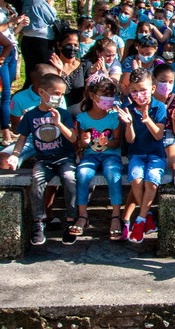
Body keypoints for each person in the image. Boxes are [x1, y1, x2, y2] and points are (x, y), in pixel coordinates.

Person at [9, 74, 78, 246]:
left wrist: (59, 123)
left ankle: (70, 219)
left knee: (70, 179)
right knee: (37, 180)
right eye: (55, 93)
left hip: (64, 158)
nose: (58, 97)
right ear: (42, 92)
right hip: (43, 159)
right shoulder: (31, 115)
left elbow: (73, 138)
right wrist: (15, 155)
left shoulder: (64, 114)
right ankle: (38, 222)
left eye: (61, 94)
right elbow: (22, 137)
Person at [115, 68, 167, 244]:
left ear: (152, 89)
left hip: (156, 155)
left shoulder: (159, 107)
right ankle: (148, 217)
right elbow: (130, 140)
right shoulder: (127, 108)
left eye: (143, 90)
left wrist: (147, 120)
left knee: (151, 181)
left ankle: (140, 221)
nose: (139, 94)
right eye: (134, 91)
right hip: (136, 153)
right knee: (136, 180)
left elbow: (159, 135)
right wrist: (129, 124)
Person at [71, 76, 123, 239]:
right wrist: (84, 142)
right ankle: (82, 215)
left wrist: (108, 142)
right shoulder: (83, 118)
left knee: (113, 174)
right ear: (93, 96)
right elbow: (82, 144)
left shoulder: (115, 117)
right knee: (82, 174)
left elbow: (117, 142)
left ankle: (115, 215)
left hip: (111, 155)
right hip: (90, 156)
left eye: (111, 95)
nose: (109, 99)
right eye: (105, 95)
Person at [16, 0, 58, 87]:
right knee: (45, 73)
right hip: (42, 42)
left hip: (27, 40)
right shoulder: (36, 0)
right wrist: (50, 5)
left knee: (31, 73)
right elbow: (51, 17)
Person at [0, 0, 27, 146]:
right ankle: (5, 134)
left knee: (7, 93)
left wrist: (21, 24)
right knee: (5, 94)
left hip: (11, 51)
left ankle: (8, 130)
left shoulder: (9, 8)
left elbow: (13, 32)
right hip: (2, 51)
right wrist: (11, 22)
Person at [49, 30, 92, 110]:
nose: (72, 48)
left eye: (76, 45)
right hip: (56, 107)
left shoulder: (85, 66)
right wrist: (58, 72)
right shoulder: (51, 65)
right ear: (59, 45)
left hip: (79, 109)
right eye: (68, 45)